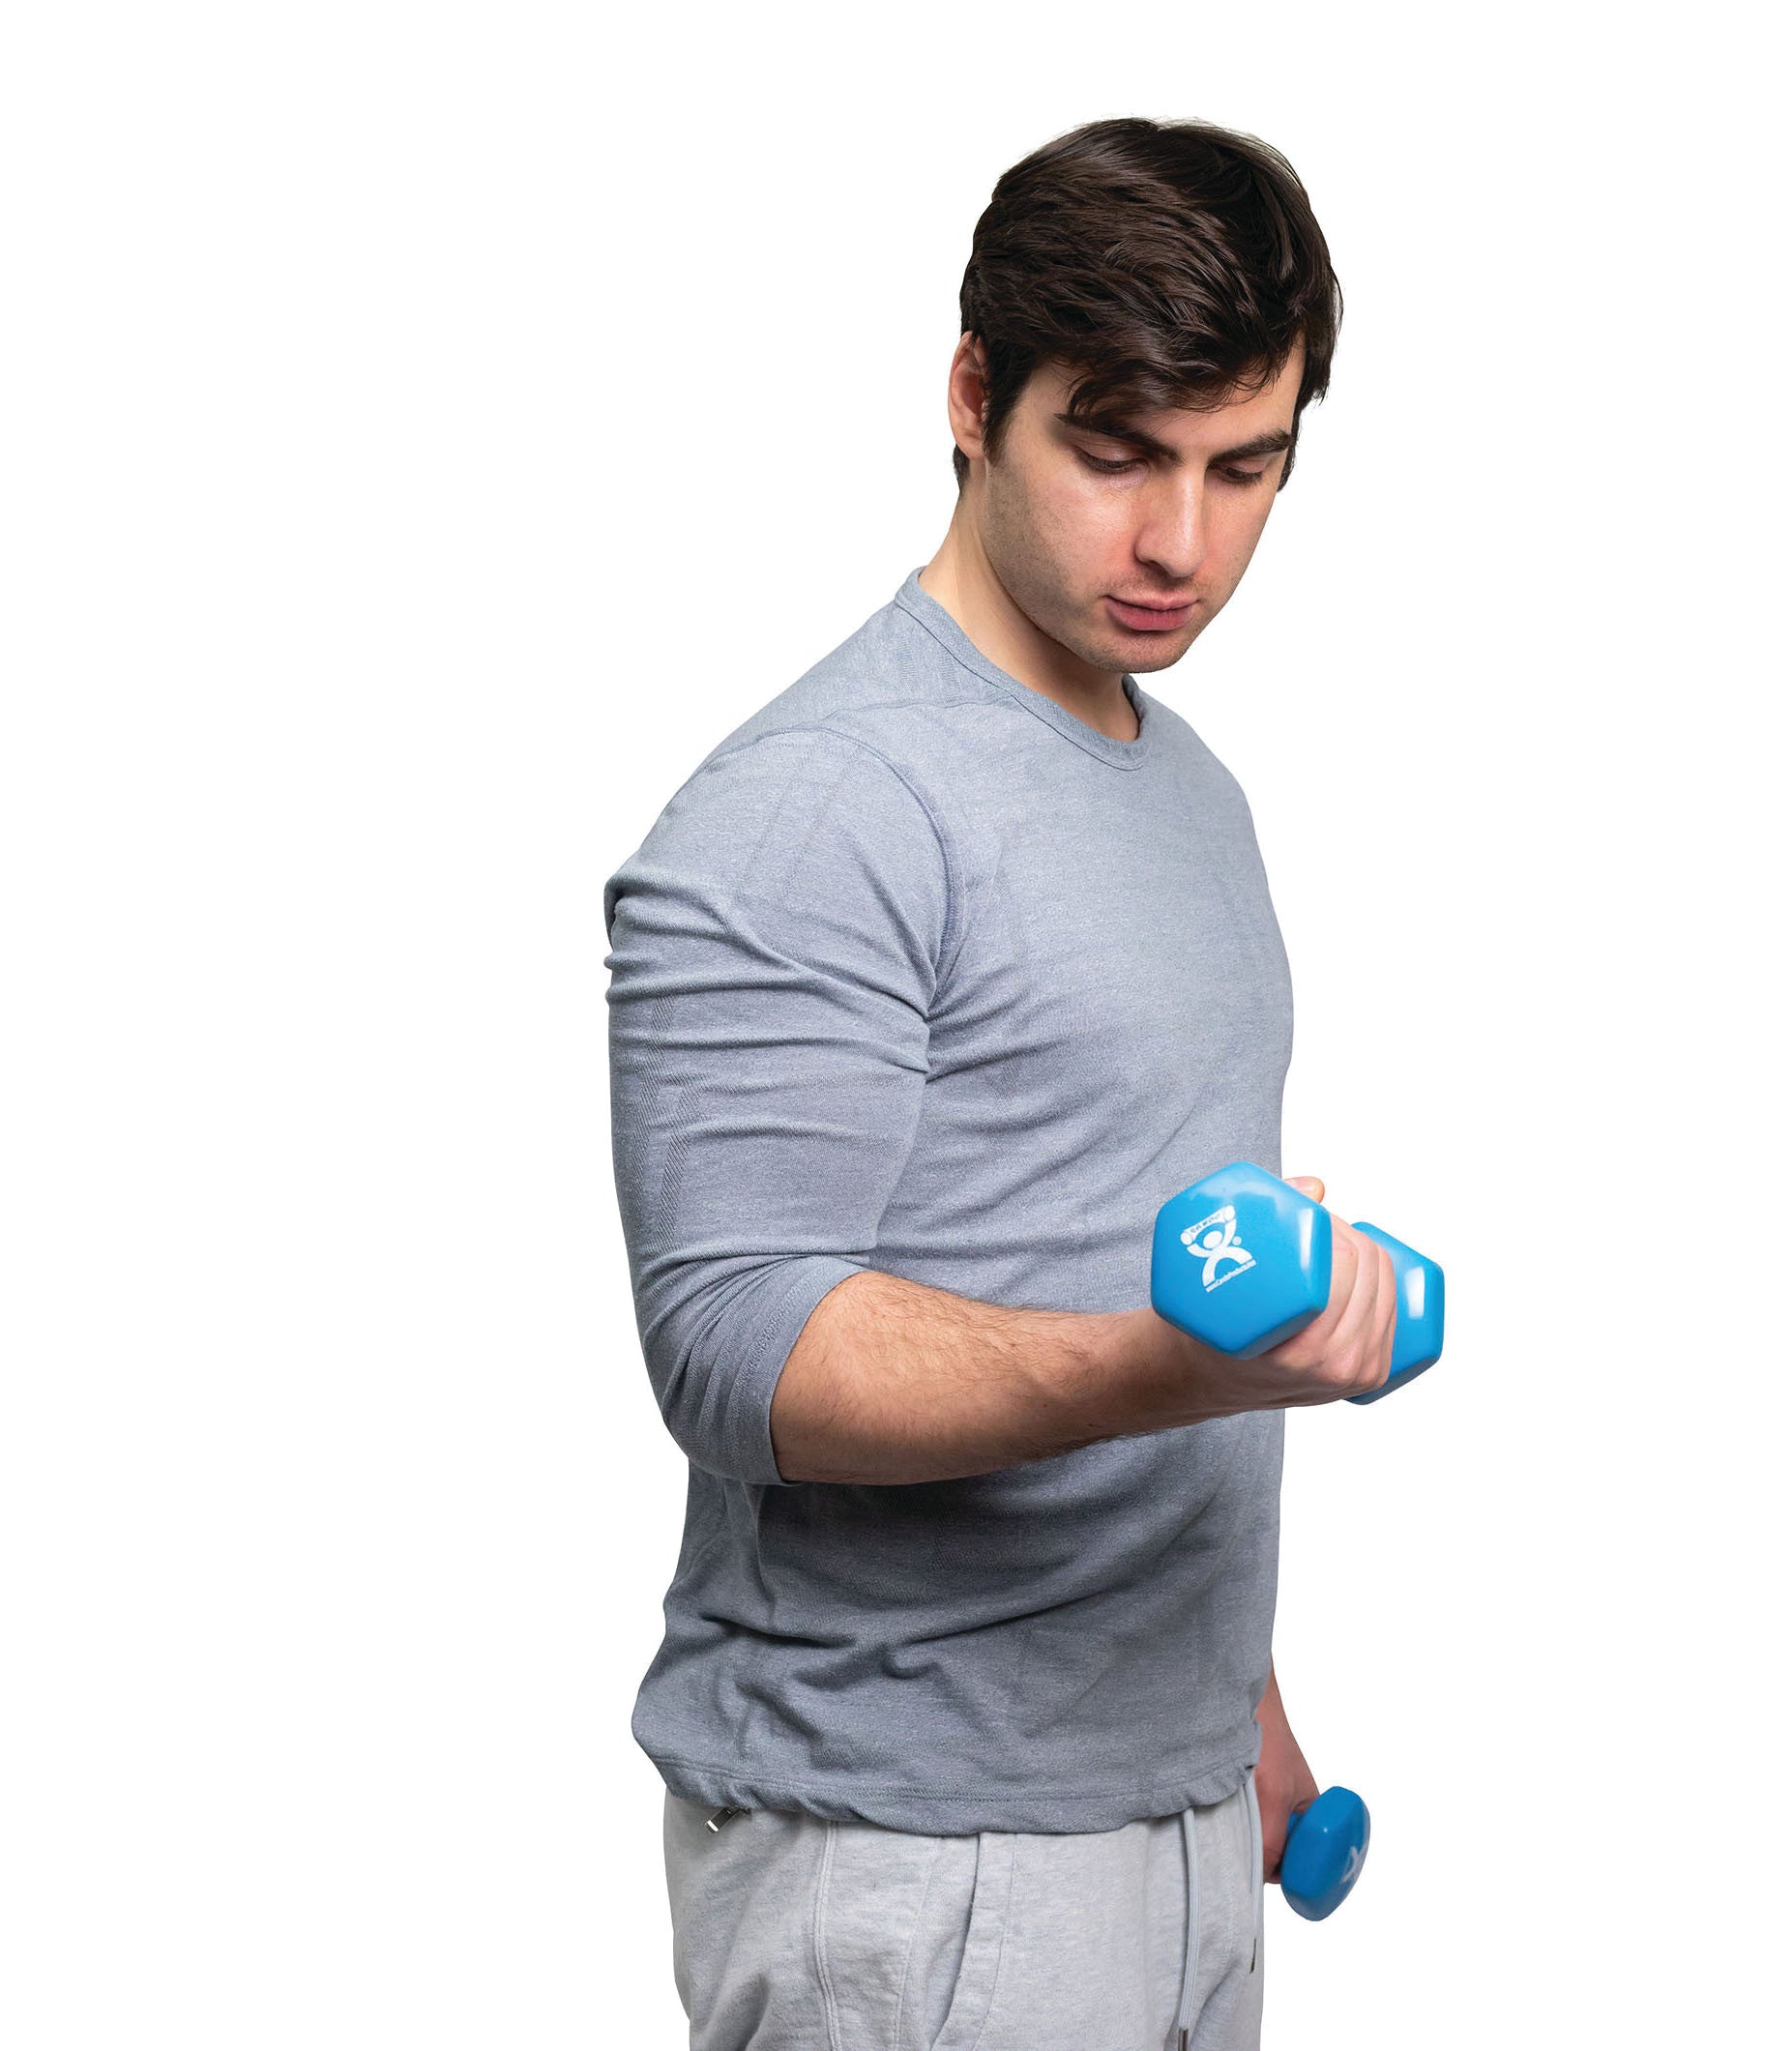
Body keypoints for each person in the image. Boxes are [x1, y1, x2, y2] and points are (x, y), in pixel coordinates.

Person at [603, 115, 1397, 2050]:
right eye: (1113, 452)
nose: (1178, 544)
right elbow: (734, 1345)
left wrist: (1240, 1700)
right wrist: (1173, 1361)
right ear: (973, 397)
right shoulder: (819, 802)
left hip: (1180, 1811)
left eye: (1244, 466)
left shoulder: (1190, 799)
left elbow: (1125, 1223)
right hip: (913, 1859)